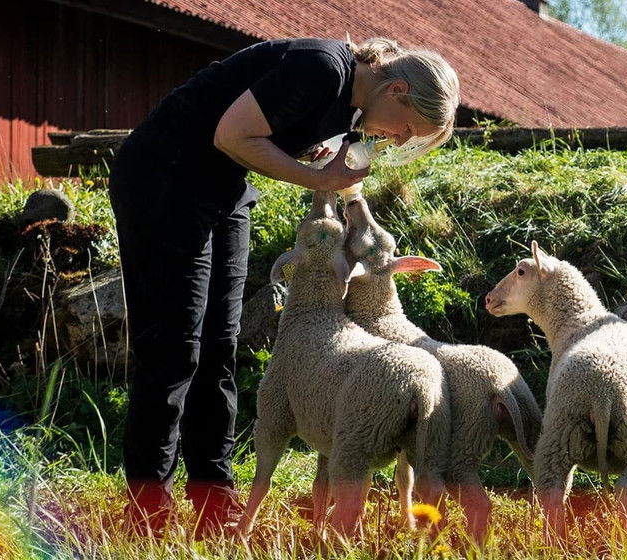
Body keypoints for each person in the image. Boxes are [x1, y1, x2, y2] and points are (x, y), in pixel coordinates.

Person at [108, 36, 459, 536]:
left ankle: (215, 501)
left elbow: (259, 136)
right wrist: (319, 181)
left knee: (217, 348)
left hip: (222, 191)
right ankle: (147, 512)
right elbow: (232, 134)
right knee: (173, 349)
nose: (400, 140)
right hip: (165, 178)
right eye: (408, 128)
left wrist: (302, 149)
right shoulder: (320, 69)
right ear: (397, 88)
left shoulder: (347, 103)